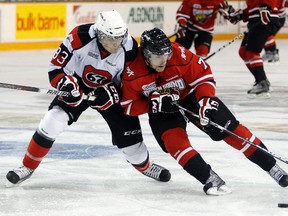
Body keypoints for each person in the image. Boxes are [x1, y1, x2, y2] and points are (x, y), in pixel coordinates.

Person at [6, 10, 171, 185]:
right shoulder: (80, 37)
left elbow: (131, 82)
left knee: (134, 150)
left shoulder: (129, 48)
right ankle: (27, 166)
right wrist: (65, 84)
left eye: (119, 38)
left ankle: (145, 166)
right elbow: (55, 68)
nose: (116, 44)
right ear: (99, 34)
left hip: (109, 92)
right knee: (52, 120)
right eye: (110, 39)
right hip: (78, 86)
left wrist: (114, 94)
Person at [120, 28, 288, 195]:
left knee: (228, 128)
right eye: (158, 57)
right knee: (173, 142)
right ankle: (209, 178)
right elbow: (127, 106)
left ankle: (273, 167)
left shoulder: (179, 53)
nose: (164, 61)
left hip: (191, 95)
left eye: (166, 55)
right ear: (146, 56)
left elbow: (203, 76)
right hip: (161, 109)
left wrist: (206, 100)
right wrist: (153, 104)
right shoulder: (132, 71)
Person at [223, 0, 281, 97]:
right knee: (243, 51)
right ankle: (261, 80)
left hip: (264, 19)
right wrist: (240, 15)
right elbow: (252, 7)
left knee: (252, 52)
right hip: (256, 19)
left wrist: (267, 7)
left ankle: (262, 82)